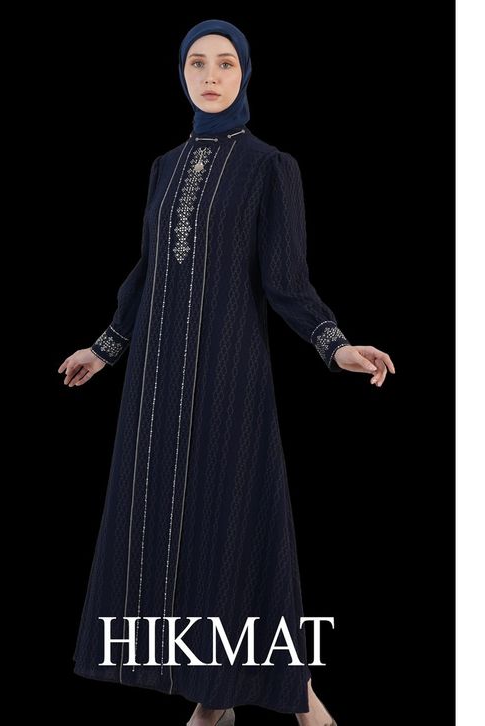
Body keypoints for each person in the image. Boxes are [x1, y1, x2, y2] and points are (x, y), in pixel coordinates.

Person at [58, 18, 395, 726]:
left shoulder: (270, 166)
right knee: (175, 529)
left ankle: (298, 695)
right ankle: (212, 695)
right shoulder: (164, 166)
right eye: (197, 64)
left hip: (228, 377)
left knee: (237, 522)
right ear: (180, 74)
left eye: (226, 64)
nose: (211, 76)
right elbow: (149, 272)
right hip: (157, 386)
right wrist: (105, 347)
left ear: (245, 73)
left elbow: (286, 280)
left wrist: (334, 345)